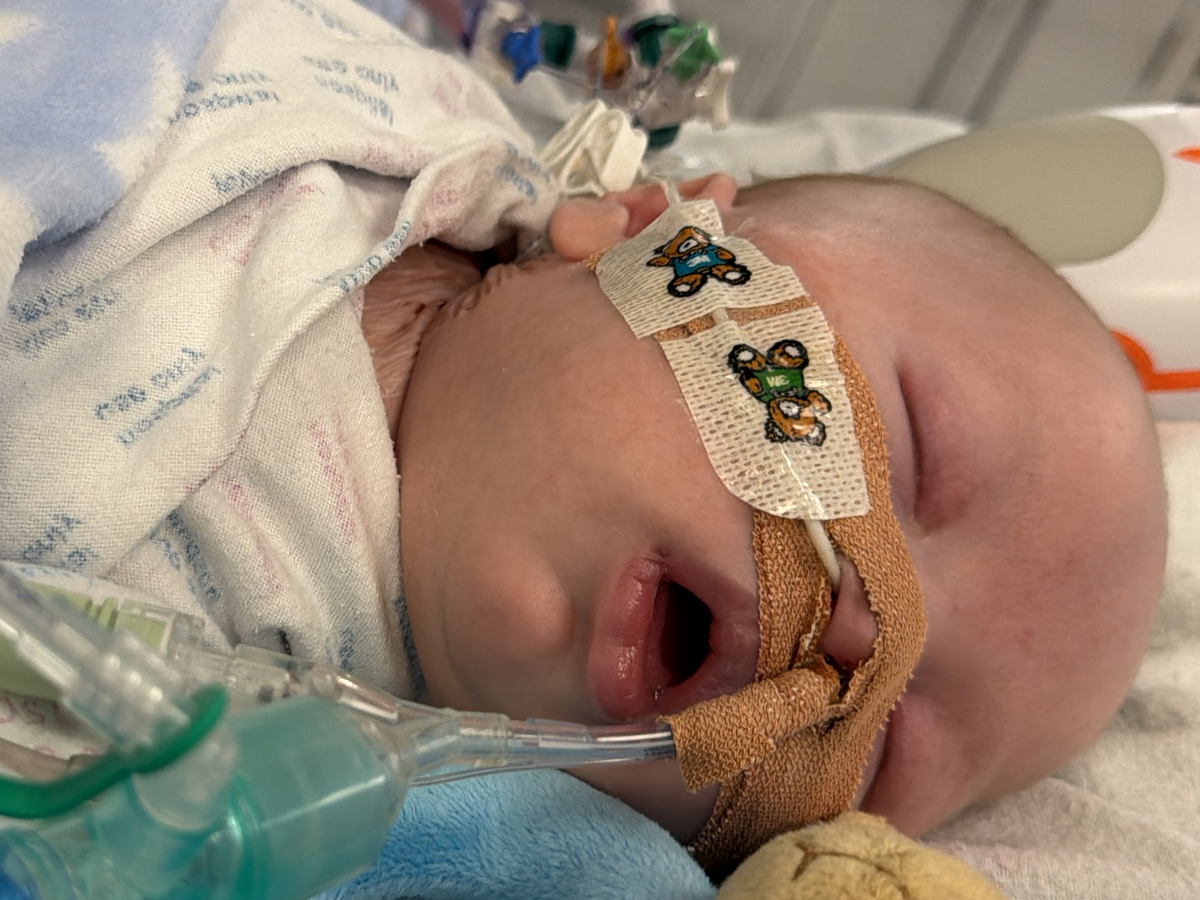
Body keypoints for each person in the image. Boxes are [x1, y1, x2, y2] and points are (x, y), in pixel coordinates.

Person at [376, 171, 1167, 846]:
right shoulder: (382, 167)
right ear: (655, 230)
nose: (871, 635)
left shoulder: (356, 813)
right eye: (909, 452)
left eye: (888, 747)